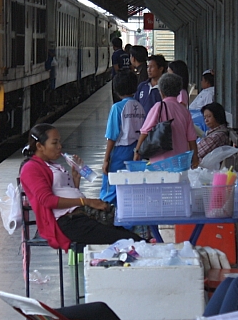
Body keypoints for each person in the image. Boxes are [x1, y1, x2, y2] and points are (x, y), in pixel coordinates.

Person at [19, 123, 142, 250]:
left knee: (131, 237)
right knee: (131, 242)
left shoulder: (52, 165)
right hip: (67, 223)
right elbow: (47, 200)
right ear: (39, 146)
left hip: (80, 216)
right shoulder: (31, 168)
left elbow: (64, 193)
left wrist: (75, 179)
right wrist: (87, 202)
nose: (59, 147)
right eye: (54, 143)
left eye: (59, 142)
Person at [133, 72, 199, 166]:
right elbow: (192, 138)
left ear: (161, 91)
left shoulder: (158, 107)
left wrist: (137, 151)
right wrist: (195, 157)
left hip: (160, 162)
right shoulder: (185, 111)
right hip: (180, 161)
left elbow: (145, 131)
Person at [100, 73, 144, 204]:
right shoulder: (140, 107)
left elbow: (112, 136)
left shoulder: (117, 108)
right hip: (136, 151)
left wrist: (106, 159)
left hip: (120, 152)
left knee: (112, 184)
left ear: (116, 89)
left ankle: (108, 214)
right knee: (131, 183)